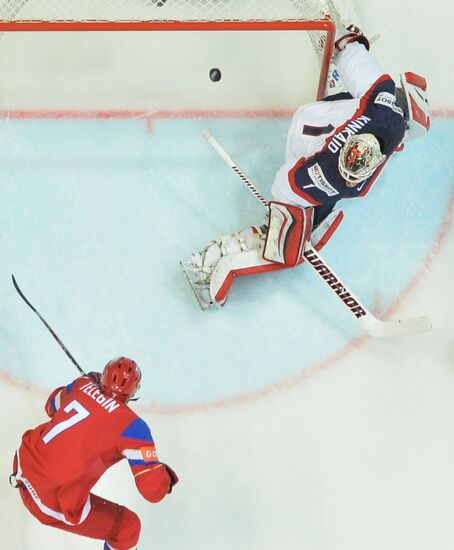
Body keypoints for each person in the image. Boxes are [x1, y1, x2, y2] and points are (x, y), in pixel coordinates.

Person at [181, 25, 430, 310]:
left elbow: (353, 57)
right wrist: (285, 219)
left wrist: (344, 41)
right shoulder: (339, 163)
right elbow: (287, 185)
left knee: (300, 220)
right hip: (310, 134)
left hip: (319, 125)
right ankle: (301, 222)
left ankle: (307, 217)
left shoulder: (380, 102)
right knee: (291, 240)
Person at [10, 357, 178, 550]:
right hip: (48, 500)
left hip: (24, 464)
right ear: (134, 391)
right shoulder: (133, 427)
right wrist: (164, 476)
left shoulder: (83, 384)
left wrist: (87, 382)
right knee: (127, 528)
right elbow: (153, 491)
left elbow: (51, 406)